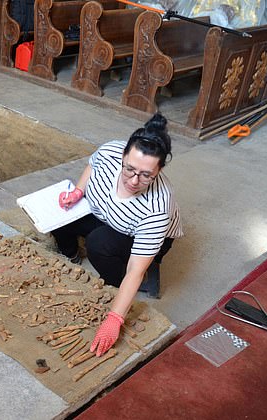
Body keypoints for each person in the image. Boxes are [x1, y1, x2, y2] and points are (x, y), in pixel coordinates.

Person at [52, 113, 183, 357]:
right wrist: (79, 192)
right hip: (108, 213)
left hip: (137, 232)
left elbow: (136, 268)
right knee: (59, 211)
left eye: (146, 175)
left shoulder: (157, 207)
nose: (134, 180)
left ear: (160, 169)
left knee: (99, 243)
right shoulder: (109, 152)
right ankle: (70, 256)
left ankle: (114, 284)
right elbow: (92, 165)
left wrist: (115, 318)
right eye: (130, 169)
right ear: (122, 155)